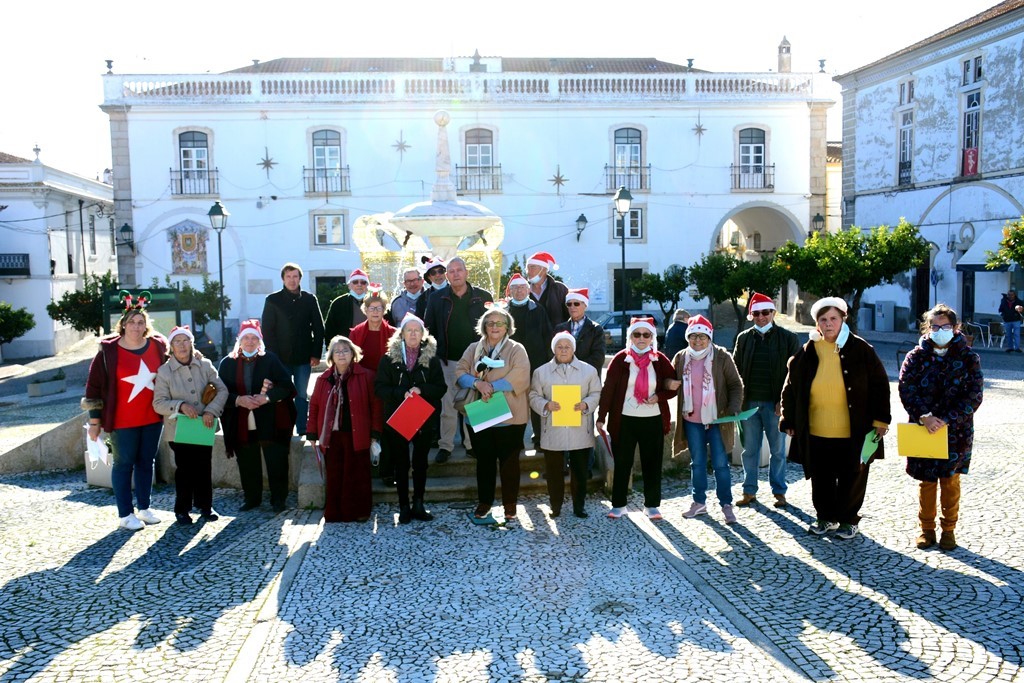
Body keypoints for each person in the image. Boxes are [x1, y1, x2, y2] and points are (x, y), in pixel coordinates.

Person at [780, 297, 891, 540]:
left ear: (843, 319)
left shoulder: (862, 349)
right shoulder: (807, 351)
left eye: (833, 319)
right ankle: (825, 517)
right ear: (817, 323)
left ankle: (848, 520)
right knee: (821, 478)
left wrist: (881, 421)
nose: (828, 324)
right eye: (823, 319)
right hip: (817, 429)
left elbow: (880, 386)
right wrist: (788, 419)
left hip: (855, 429)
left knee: (853, 476)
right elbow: (790, 387)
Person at [899, 304, 984, 551]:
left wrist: (946, 418)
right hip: (922, 426)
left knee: (950, 480)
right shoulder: (916, 356)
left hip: (955, 430)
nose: (940, 330)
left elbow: (974, 395)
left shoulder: (968, 358)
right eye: (935, 326)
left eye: (945, 326)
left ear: (956, 328)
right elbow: (906, 388)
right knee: (926, 481)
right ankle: (926, 529)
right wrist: (925, 416)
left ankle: (949, 530)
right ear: (927, 327)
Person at [83, 293, 168, 531]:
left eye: (140, 322)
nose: (136, 326)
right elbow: (94, 386)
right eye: (131, 322)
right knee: (123, 464)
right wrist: (94, 421)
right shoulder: (108, 351)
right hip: (122, 420)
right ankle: (125, 514)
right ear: (123, 324)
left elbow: (172, 369)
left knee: (146, 462)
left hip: (152, 417)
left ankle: (144, 507)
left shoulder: (158, 346)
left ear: (146, 325)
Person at [455, 304, 531, 525]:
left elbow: (521, 376)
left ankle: (510, 506)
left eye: (499, 323)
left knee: (509, 462)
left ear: (507, 327)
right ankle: (485, 502)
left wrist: (493, 386)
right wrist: (477, 383)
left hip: (510, 416)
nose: (494, 327)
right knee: (484, 462)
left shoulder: (517, 349)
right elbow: (460, 371)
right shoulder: (473, 349)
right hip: (481, 412)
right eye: (490, 323)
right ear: (484, 326)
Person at [597, 316, 677, 521]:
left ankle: (651, 506)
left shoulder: (659, 360)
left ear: (652, 337)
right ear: (630, 336)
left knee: (652, 463)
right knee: (622, 463)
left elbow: (675, 384)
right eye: (637, 334)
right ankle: (619, 505)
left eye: (646, 334)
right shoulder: (621, 359)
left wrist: (659, 396)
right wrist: (602, 416)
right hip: (624, 420)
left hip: (653, 419)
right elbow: (608, 390)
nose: (641, 338)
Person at [668, 315, 744, 524]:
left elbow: (736, 385)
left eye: (702, 336)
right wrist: (668, 384)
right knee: (698, 463)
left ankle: (726, 505)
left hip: (717, 420)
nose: (697, 341)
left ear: (709, 337)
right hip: (692, 421)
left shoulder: (721, 356)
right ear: (688, 337)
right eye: (693, 336)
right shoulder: (681, 357)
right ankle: (699, 502)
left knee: (720, 464)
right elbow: (668, 379)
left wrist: (734, 408)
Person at [374, 314, 447, 523]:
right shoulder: (388, 358)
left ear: (423, 334)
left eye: (417, 330)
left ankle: (419, 503)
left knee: (420, 462)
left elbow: (441, 388)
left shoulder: (431, 359)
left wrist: (421, 389)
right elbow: (379, 388)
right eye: (409, 330)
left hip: (423, 417)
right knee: (401, 462)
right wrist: (400, 393)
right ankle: (404, 505)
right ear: (402, 333)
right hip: (398, 417)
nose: (413, 334)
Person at [218, 320, 296, 513]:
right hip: (241, 421)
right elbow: (218, 393)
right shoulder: (227, 363)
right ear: (239, 340)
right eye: (246, 338)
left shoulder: (270, 359)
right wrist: (238, 400)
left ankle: (279, 499)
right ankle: (251, 498)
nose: (250, 342)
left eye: (254, 338)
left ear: (260, 341)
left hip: (270, 421)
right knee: (246, 461)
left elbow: (287, 386)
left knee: (276, 460)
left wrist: (266, 398)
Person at [153, 325, 229, 525]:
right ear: (171, 346)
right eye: (177, 341)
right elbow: (158, 403)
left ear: (191, 343)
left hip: (204, 425)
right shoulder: (164, 371)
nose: (182, 345)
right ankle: (182, 509)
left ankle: (205, 506)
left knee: (204, 466)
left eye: (185, 340)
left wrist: (211, 411)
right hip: (179, 429)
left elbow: (222, 390)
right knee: (184, 469)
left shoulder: (205, 365)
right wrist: (180, 405)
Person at [732, 292, 800, 508]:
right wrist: (736, 402)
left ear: (773, 313)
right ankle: (749, 491)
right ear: (751, 315)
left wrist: (785, 402)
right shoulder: (743, 339)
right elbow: (735, 371)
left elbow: (796, 373)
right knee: (749, 450)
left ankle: (779, 492)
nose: (761, 317)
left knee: (778, 451)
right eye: (756, 313)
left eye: (765, 312)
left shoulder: (788, 338)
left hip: (775, 405)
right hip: (749, 404)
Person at [424, 257, 493, 463]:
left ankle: (473, 444)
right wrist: (431, 359)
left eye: (458, 270)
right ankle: (446, 446)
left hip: (476, 361)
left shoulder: (482, 297)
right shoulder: (437, 298)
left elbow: (494, 328)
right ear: (447, 275)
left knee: (473, 403)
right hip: (447, 361)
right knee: (448, 406)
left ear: (466, 272)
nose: (455, 274)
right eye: (451, 271)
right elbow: (429, 330)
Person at [307, 335, 383, 523]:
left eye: (345, 350)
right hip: (331, 436)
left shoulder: (366, 376)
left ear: (353, 354)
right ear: (331, 356)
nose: (341, 354)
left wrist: (375, 432)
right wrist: (311, 433)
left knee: (359, 475)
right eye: (337, 351)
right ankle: (335, 512)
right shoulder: (323, 379)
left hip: (358, 433)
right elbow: (314, 406)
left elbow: (375, 406)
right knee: (335, 475)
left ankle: (359, 512)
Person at [529, 332, 602, 518]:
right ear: (554, 349)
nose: (563, 350)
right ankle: (555, 506)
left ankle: (579, 507)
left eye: (567, 346)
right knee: (554, 472)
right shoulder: (541, 372)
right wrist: (546, 405)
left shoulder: (589, 370)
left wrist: (586, 404)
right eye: (559, 347)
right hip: (553, 428)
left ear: (573, 349)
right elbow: (533, 396)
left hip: (579, 428)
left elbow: (596, 393)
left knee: (580, 471)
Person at [261, 263, 325, 436]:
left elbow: (319, 328)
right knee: (280, 393)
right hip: (279, 357)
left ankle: (303, 427)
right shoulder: (272, 300)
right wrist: (273, 356)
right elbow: (267, 329)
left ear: (300, 278)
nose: (292, 280)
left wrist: (316, 353)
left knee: (302, 394)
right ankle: (283, 426)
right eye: (288, 276)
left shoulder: (309, 299)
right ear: (283, 279)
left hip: (303, 357)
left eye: (295, 276)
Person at [507, 272, 553, 450]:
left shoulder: (538, 309)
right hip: (511, 366)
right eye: (515, 288)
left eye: (522, 287)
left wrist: (549, 361)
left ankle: (540, 438)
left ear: (528, 289)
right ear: (510, 291)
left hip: (536, 363)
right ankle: (515, 440)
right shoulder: (504, 312)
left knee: (536, 401)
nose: (519, 291)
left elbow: (547, 336)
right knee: (514, 402)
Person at [553, 288, 605, 374]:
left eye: (576, 304)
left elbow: (598, 358)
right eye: (569, 304)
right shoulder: (559, 329)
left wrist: (575, 368)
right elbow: (553, 354)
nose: (572, 307)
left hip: (586, 379)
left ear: (585, 305)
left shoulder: (596, 329)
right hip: (562, 379)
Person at [349, 288, 396, 374]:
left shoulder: (394, 334)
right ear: (365, 310)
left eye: (379, 308)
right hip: (362, 378)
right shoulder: (355, 333)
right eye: (371, 308)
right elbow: (350, 360)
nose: (375, 312)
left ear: (384, 310)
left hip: (386, 379)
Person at [323, 268, 370, 342]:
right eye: (355, 282)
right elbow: (329, 330)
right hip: (346, 349)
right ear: (349, 285)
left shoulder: (375, 302)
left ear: (367, 286)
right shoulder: (338, 303)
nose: (359, 285)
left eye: (363, 282)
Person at [526, 251, 569, 327]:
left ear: (543, 269)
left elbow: (571, 315)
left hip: (556, 337)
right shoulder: (524, 292)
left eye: (532, 267)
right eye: (527, 268)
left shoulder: (560, 290)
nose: (528, 272)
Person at [997, 288, 1023, 353]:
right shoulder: (1004, 301)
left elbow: (1022, 310)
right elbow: (1000, 309)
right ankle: (1010, 347)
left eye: (1012, 295)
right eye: (1009, 295)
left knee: (1016, 334)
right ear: (1007, 295)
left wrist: (1020, 311)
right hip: (1007, 320)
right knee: (1008, 335)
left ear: (1014, 295)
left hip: (1016, 320)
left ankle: (1017, 348)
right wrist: (1003, 315)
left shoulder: (1018, 302)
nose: (1010, 296)